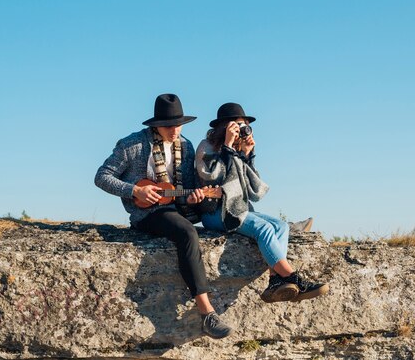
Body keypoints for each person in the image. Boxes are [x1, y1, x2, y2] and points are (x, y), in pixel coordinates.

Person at [94, 93, 232, 339]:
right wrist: (134, 190)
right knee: (187, 233)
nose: (175, 130)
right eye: (169, 125)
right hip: (147, 213)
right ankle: (207, 313)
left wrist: (191, 198)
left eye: (179, 124)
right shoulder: (132, 145)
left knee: (216, 216)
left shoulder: (186, 146)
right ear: (156, 125)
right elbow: (102, 176)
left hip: (176, 208)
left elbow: (185, 186)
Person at [194, 102, 329, 303]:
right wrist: (228, 147)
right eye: (237, 125)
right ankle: (294, 278)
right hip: (214, 213)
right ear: (224, 127)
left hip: (236, 208)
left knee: (281, 226)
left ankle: (275, 281)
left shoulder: (237, 150)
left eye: (244, 125)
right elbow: (212, 176)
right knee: (263, 229)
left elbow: (252, 189)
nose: (241, 130)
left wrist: (247, 155)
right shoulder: (206, 146)